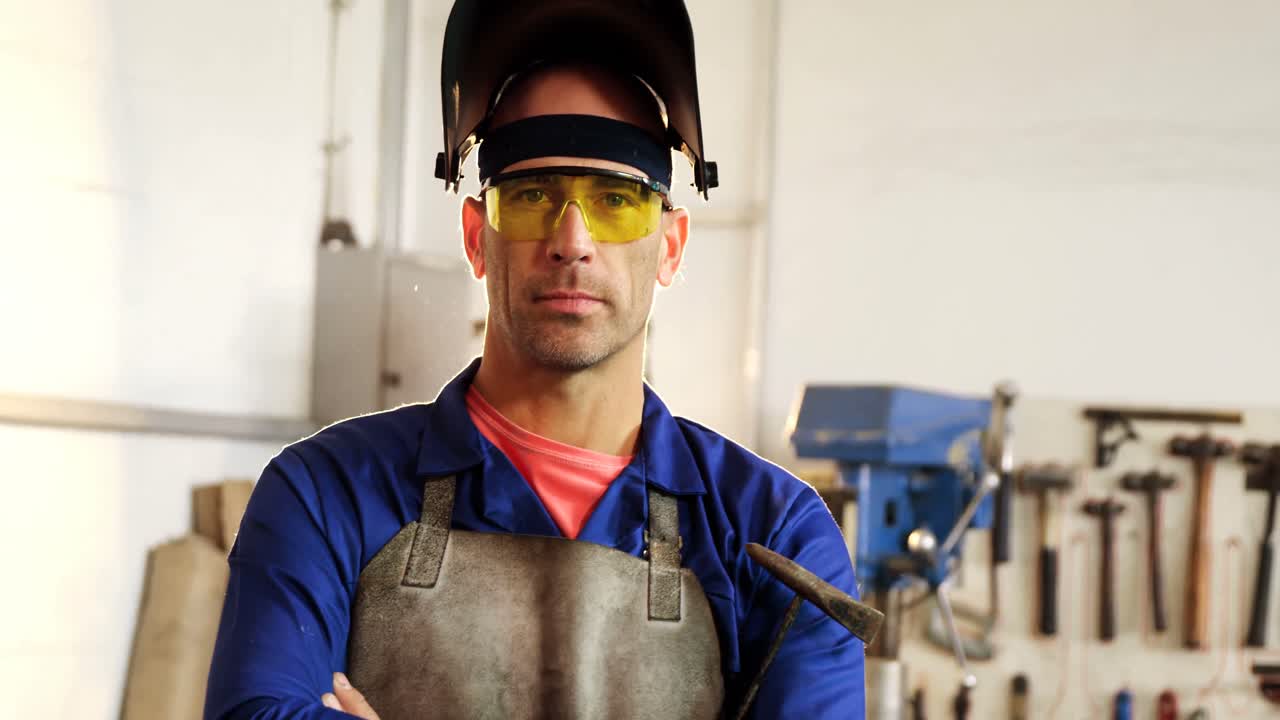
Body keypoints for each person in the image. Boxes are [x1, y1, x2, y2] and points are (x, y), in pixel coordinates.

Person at [204, 2, 865, 718]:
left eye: (615, 201)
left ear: (669, 244)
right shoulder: (324, 496)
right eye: (530, 196)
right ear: (475, 236)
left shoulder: (773, 535)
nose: (572, 239)